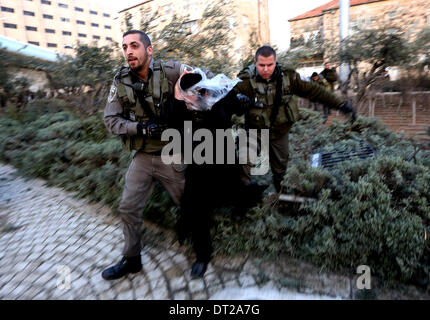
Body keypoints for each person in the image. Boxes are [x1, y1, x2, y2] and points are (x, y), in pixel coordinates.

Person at [102, 30, 200, 281]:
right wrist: (139, 128)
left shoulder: (171, 70)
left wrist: (193, 97)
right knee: (128, 207)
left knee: (189, 205)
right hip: (144, 156)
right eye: (125, 47)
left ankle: (202, 252)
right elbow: (110, 120)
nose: (129, 51)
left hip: (173, 154)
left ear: (149, 49)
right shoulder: (120, 80)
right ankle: (132, 259)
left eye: (134, 46)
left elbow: (205, 82)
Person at [166, 71, 264, 277]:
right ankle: (202, 256)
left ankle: (247, 200)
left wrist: (245, 102)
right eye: (184, 96)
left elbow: (238, 105)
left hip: (224, 162)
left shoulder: (218, 97)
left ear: (201, 90)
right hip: (198, 167)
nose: (188, 100)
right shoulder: (180, 106)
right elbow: (172, 125)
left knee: (237, 194)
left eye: (190, 96)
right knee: (195, 208)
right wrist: (177, 96)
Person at [234, 46, 355, 193]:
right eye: (261, 65)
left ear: (275, 62)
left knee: (281, 171)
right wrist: (238, 101)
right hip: (255, 130)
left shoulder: (288, 77)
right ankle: (244, 195)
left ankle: (280, 196)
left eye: (269, 65)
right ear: (255, 63)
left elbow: (314, 91)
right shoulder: (245, 81)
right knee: (243, 160)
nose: (266, 69)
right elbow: (227, 99)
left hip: (280, 132)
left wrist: (340, 104)